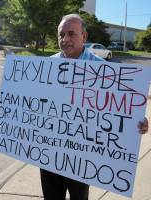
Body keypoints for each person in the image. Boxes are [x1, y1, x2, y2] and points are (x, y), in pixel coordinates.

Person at [39, 13, 149, 200]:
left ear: (84, 37)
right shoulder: (45, 66)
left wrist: (136, 120)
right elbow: (32, 101)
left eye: (71, 33)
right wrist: (9, 106)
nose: (65, 39)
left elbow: (120, 108)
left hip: (82, 159)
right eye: (61, 34)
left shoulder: (104, 71)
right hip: (49, 155)